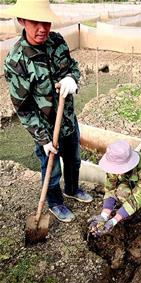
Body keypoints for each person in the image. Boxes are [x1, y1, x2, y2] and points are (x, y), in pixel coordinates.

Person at [3, 0, 93, 223]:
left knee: (74, 161)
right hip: (45, 128)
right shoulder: (16, 62)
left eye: (46, 22)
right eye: (35, 22)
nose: (42, 28)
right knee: (51, 170)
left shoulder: (58, 42)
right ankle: (54, 203)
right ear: (22, 21)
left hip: (69, 120)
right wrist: (43, 139)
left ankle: (72, 189)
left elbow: (71, 66)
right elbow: (23, 108)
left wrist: (72, 77)